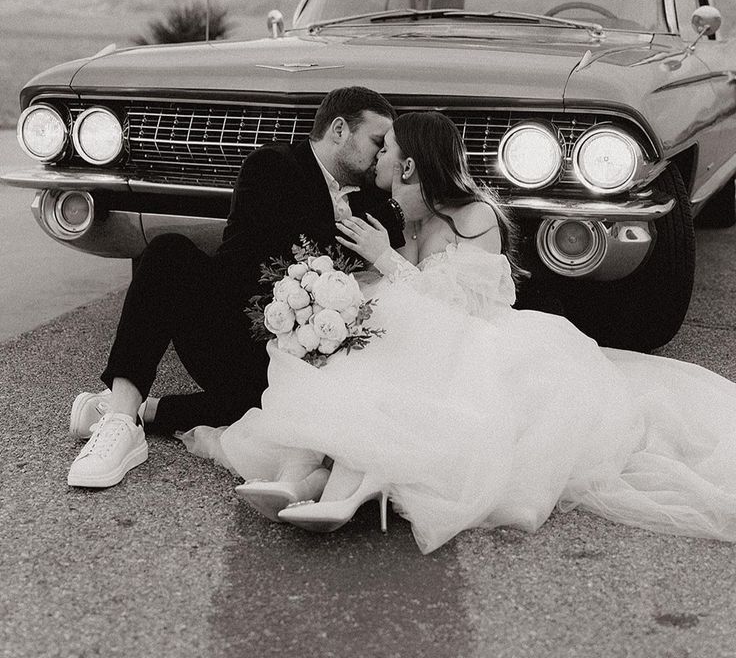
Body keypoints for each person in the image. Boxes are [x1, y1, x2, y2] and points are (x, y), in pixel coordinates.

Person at [181, 111, 736, 555]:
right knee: (358, 355)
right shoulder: (408, 219)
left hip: (475, 344)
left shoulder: (476, 216)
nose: (378, 157)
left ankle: (348, 486)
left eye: (388, 149)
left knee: (393, 367)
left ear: (409, 166)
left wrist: (383, 260)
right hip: (425, 337)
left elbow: (459, 307)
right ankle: (299, 474)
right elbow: (393, 286)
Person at [66, 86, 422, 489]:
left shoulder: (372, 194)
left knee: (281, 419)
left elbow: (397, 233)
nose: (380, 155)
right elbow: (287, 245)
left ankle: (131, 410)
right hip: (233, 330)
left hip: (294, 361)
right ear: (339, 130)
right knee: (167, 253)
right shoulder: (272, 166)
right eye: (377, 142)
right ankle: (118, 423)